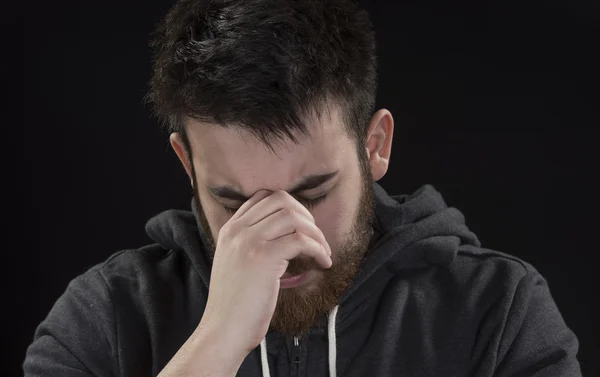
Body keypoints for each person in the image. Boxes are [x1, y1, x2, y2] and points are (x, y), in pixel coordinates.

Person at [24, 0, 582, 376]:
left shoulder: (499, 310)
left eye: (313, 192)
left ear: (375, 146)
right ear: (186, 166)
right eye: (235, 202)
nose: (284, 235)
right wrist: (215, 342)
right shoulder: (105, 315)